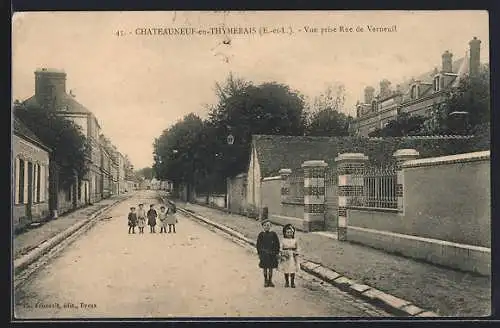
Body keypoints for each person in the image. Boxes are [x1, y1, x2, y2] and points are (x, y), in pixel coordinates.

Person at [256, 219, 280, 287]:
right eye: (265, 225)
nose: (267, 227)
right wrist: (259, 253)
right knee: (265, 268)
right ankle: (265, 280)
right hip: (264, 254)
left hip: (272, 254)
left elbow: (277, 244)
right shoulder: (261, 234)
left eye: (268, 225)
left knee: (271, 268)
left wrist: (276, 252)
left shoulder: (273, 234)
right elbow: (258, 245)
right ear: (263, 226)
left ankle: (270, 280)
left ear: (270, 226)